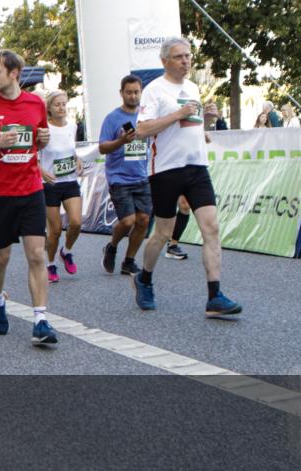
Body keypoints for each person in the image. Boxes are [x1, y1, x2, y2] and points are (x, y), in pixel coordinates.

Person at [134, 37, 242, 317]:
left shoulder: (193, 87)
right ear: (165, 61)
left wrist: (205, 118)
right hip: (166, 170)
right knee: (163, 233)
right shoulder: (154, 90)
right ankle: (144, 278)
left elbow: (188, 127)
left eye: (188, 56)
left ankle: (214, 296)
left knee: (211, 228)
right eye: (179, 56)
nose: (186, 61)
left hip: (197, 167)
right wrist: (178, 112)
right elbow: (143, 130)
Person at [0, 49, 58, 345]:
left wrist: (44, 139)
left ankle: (41, 320)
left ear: (14, 73)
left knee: (35, 255)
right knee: (1, 257)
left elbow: (39, 139)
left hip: (31, 190)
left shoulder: (35, 103)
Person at [98, 75, 151, 276]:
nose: (133, 96)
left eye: (136, 92)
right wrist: (121, 141)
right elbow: (102, 148)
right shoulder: (112, 118)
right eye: (128, 92)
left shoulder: (146, 117)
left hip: (142, 176)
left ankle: (129, 261)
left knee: (143, 220)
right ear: (121, 93)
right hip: (119, 177)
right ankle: (111, 246)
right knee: (128, 221)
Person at [39, 91, 83, 282]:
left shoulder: (72, 127)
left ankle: (67, 251)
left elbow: (71, 150)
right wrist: (40, 171)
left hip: (70, 181)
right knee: (55, 231)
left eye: (64, 104)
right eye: (57, 104)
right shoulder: (44, 129)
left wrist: (77, 159)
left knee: (76, 223)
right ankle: (50, 264)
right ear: (49, 107)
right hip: (50, 184)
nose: (62, 108)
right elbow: (32, 154)